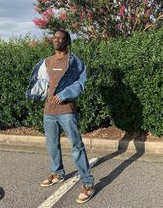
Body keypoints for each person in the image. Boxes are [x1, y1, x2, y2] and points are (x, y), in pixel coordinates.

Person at [26, 29, 95, 204]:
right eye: (55, 38)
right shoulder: (46, 62)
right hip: (48, 112)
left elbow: (81, 83)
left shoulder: (75, 62)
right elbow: (40, 83)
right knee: (52, 145)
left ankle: (88, 183)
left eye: (61, 38)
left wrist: (65, 94)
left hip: (67, 111)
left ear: (67, 41)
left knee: (76, 146)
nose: (57, 40)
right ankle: (58, 173)